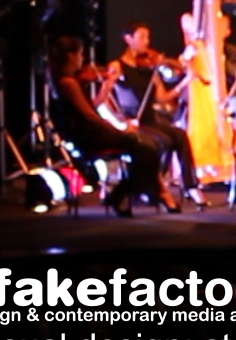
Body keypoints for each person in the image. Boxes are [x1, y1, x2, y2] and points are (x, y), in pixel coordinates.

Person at [48, 35, 167, 215]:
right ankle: (122, 193)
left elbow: (91, 106)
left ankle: (125, 193)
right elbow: (89, 115)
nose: (83, 58)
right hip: (89, 136)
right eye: (80, 54)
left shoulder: (68, 81)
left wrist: (107, 86)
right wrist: (116, 130)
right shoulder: (68, 83)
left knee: (147, 149)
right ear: (71, 56)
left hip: (90, 133)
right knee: (146, 149)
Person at [101, 20, 196, 205]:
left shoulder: (150, 67)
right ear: (128, 39)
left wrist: (185, 82)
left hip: (149, 120)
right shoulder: (118, 66)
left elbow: (161, 98)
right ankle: (156, 185)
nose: (147, 42)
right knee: (164, 141)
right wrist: (120, 122)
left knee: (180, 135)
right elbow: (104, 100)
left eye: (148, 37)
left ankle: (190, 186)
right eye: (142, 37)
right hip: (132, 121)